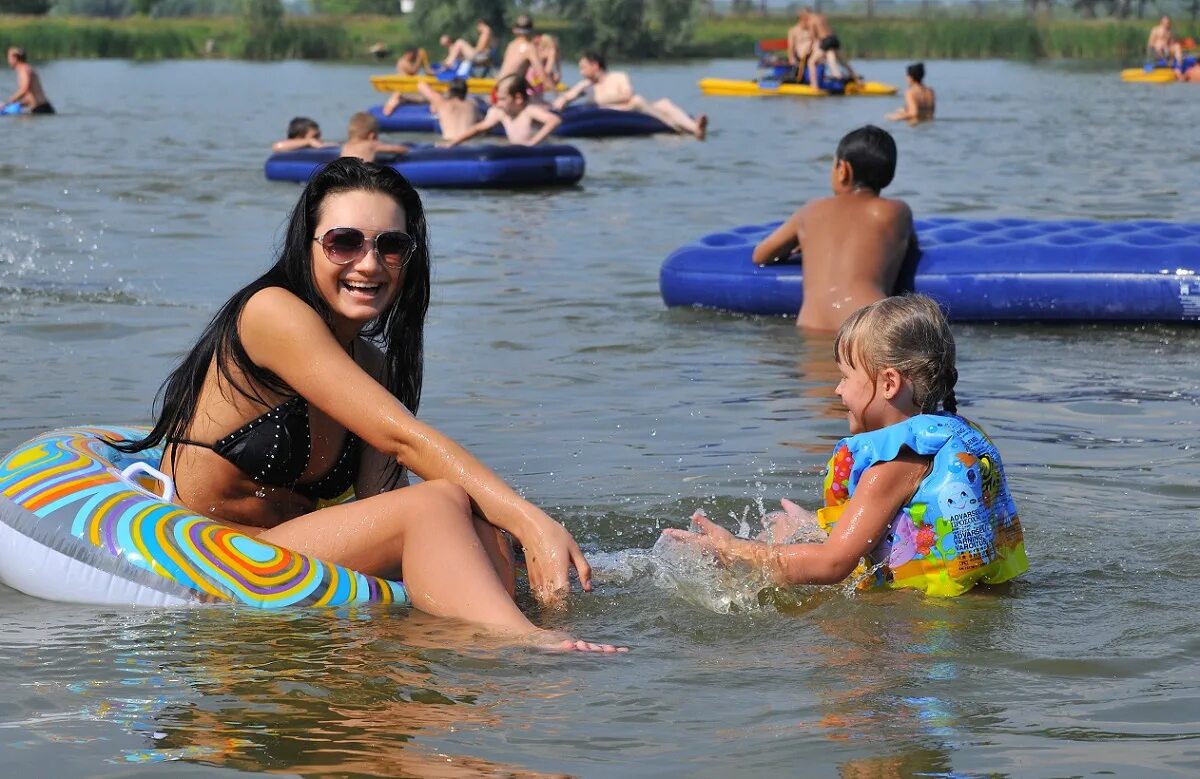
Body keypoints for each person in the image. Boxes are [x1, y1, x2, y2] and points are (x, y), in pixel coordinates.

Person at [115, 158, 624, 652]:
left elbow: (383, 498)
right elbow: (402, 440)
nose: (369, 263)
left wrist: (517, 541)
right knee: (440, 499)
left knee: (470, 514)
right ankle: (522, 645)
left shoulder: (372, 365)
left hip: (293, 552)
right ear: (308, 245)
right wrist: (530, 519)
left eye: (392, 246)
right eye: (344, 242)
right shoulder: (271, 313)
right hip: (208, 551)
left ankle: (540, 614)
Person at [663, 294, 1028, 598]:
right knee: (789, 531)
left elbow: (830, 566)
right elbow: (906, 528)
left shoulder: (890, 468)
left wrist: (733, 550)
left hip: (919, 628)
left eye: (845, 376)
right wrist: (819, 526)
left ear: (888, 383)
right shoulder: (950, 443)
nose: (838, 389)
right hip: (981, 605)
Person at [752, 126, 915, 331]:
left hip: (812, 322)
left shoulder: (811, 210)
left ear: (843, 170)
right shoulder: (895, 211)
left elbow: (761, 255)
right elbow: (907, 247)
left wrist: (809, 244)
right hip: (866, 321)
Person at [552, 51, 708, 140]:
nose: (581, 72)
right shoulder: (585, 85)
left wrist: (599, 100)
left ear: (595, 66)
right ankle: (676, 125)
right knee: (638, 100)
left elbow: (628, 94)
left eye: (583, 68)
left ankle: (694, 128)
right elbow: (566, 97)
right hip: (611, 115)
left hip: (632, 111)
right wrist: (560, 102)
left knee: (664, 102)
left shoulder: (619, 76)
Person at [446, 75, 560, 147]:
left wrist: (533, 143)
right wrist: (452, 144)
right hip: (519, 153)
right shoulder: (501, 114)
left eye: (502, 99)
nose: (498, 103)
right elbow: (478, 128)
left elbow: (554, 120)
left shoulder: (529, 111)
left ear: (518, 99)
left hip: (536, 153)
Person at [408, 79, 480, 141]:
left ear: (449, 91)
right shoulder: (473, 106)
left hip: (448, 143)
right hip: (469, 146)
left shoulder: (442, 103)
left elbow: (421, 85)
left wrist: (441, 91)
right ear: (465, 92)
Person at [804, 9, 860, 87]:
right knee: (843, 62)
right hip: (834, 39)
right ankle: (857, 80)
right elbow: (830, 30)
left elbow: (813, 38)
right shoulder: (821, 18)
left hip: (826, 41)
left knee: (811, 62)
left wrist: (809, 49)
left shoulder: (811, 21)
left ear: (806, 15)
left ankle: (814, 86)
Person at [497, 13, 548, 90]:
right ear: (531, 30)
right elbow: (542, 75)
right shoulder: (529, 47)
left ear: (515, 29)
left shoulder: (511, 45)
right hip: (509, 93)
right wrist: (559, 95)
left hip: (497, 89)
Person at [340, 112, 410, 163]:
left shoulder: (346, 145)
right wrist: (405, 149)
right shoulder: (371, 144)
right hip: (361, 176)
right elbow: (396, 149)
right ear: (372, 136)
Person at [5, 47, 54, 115]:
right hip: (41, 108)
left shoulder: (24, 70)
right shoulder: (25, 69)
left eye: (8, 57)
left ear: (15, 58)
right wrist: (19, 104)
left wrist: (7, 103)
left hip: (41, 109)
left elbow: (24, 89)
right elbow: (29, 96)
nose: (8, 61)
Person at [271, 117, 335, 153]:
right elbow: (277, 147)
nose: (318, 140)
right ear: (298, 138)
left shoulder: (317, 146)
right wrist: (309, 142)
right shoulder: (287, 149)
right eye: (315, 137)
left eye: (319, 136)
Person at [786, 11, 815, 82]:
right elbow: (790, 47)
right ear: (801, 20)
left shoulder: (811, 30)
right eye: (807, 20)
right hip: (800, 56)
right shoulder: (793, 30)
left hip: (811, 55)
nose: (809, 23)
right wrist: (791, 59)